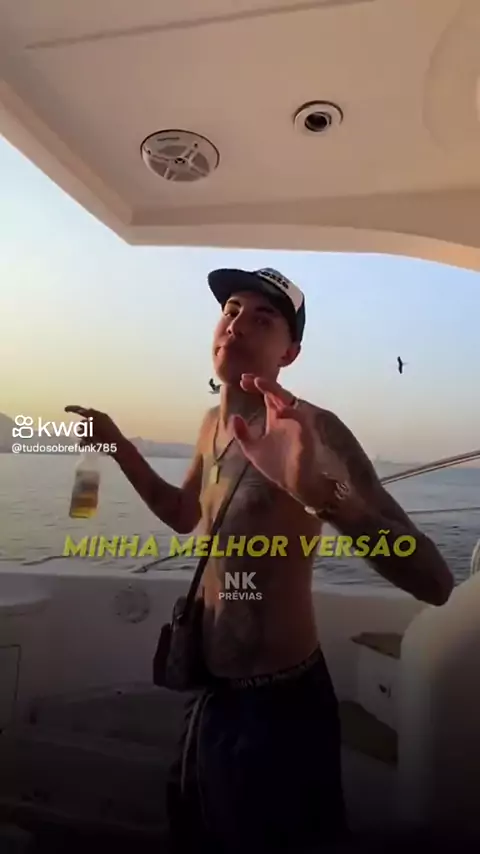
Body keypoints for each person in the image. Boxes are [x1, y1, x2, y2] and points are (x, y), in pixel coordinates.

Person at [66, 266, 454, 853]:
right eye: (231, 311)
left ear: (289, 353)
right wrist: (119, 449)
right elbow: (183, 514)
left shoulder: (314, 430)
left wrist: (326, 498)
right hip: (212, 696)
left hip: (282, 706)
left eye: (263, 318)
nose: (238, 324)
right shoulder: (211, 427)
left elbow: (433, 579)